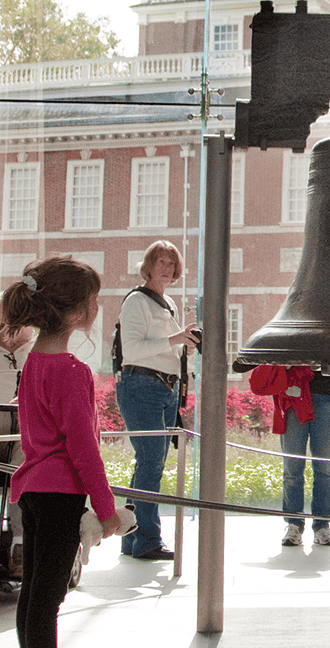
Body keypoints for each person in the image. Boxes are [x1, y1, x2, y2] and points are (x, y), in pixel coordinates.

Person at [1, 256, 121, 648]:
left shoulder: (33, 362)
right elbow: (83, 451)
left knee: (34, 596)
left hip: (33, 492)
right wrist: (106, 511)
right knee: (47, 601)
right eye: (95, 298)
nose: (97, 305)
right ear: (79, 311)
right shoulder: (71, 371)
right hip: (59, 498)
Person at [114, 240, 198, 560]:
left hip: (165, 389)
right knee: (151, 463)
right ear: (148, 266)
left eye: (171, 263)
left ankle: (130, 537)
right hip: (140, 387)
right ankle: (148, 539)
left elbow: (164, 348)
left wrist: (183, 345)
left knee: (148, 463)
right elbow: (132, 351)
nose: (166, 268)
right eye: (160, 261)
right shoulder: (137, 300)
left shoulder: (169, 303)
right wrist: (176, 338)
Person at [249, 362, 330, 547]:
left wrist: (329, 360)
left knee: (323, 468)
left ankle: (321, 524)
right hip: (294, 396)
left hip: (326, 398)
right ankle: (294, 523)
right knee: (293, 467)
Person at [0, 296, 34, 579]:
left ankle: (19, 545)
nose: (2, 330)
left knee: (25, 449)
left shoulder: (35, 351)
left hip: (21, 439)